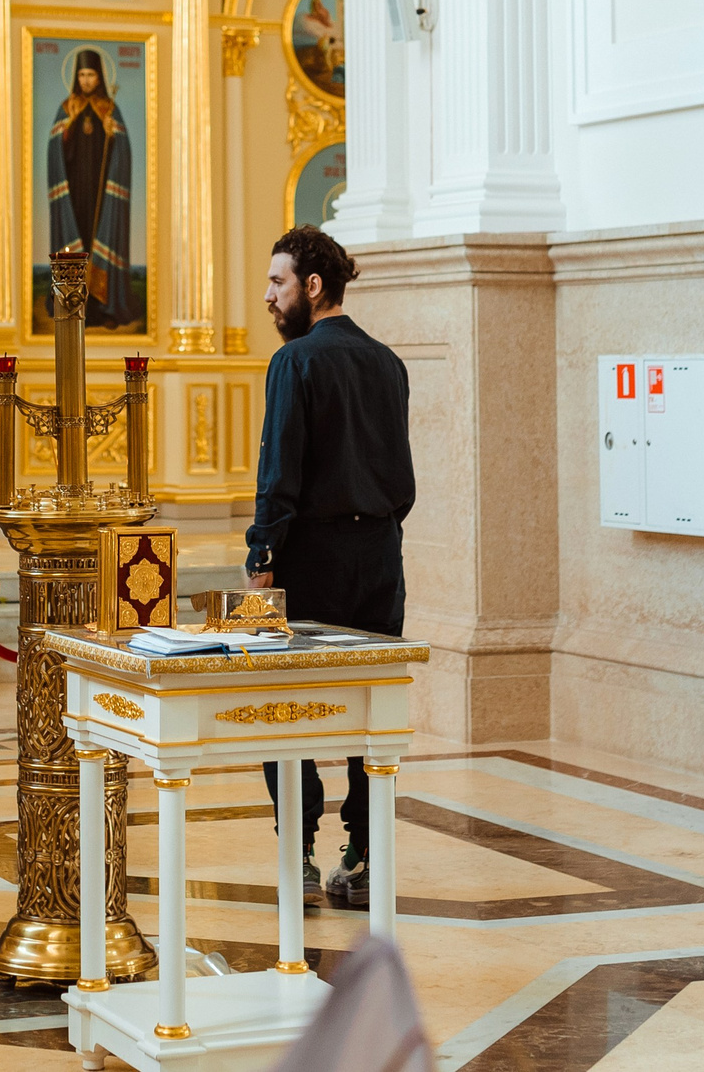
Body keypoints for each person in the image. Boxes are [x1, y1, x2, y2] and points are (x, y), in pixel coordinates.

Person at [247, 225, 415, 910]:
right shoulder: (389, 363)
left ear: (313, 286)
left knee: (286, 708)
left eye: (277, 281)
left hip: (307, 560)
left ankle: (299, 851)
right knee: (370, 711)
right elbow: (400, 477)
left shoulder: (295, 362)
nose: (268, 296)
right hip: (380, 558)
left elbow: (279, 471)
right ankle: (365, 854)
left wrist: (261, 555)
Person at [44, 49, 137, 328]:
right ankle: (73, 306)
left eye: (91, 74)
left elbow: (122, 151)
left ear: (99, 77)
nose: (86, 80)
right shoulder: (67, 108)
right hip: (74, 194)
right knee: (78, 240)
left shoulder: (110, 109)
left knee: (99, 240)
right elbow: (55, 149)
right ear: (76, 76)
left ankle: (104, 306)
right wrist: (68, 130)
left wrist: (112, 134)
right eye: (82, 74)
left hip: (101, 192)